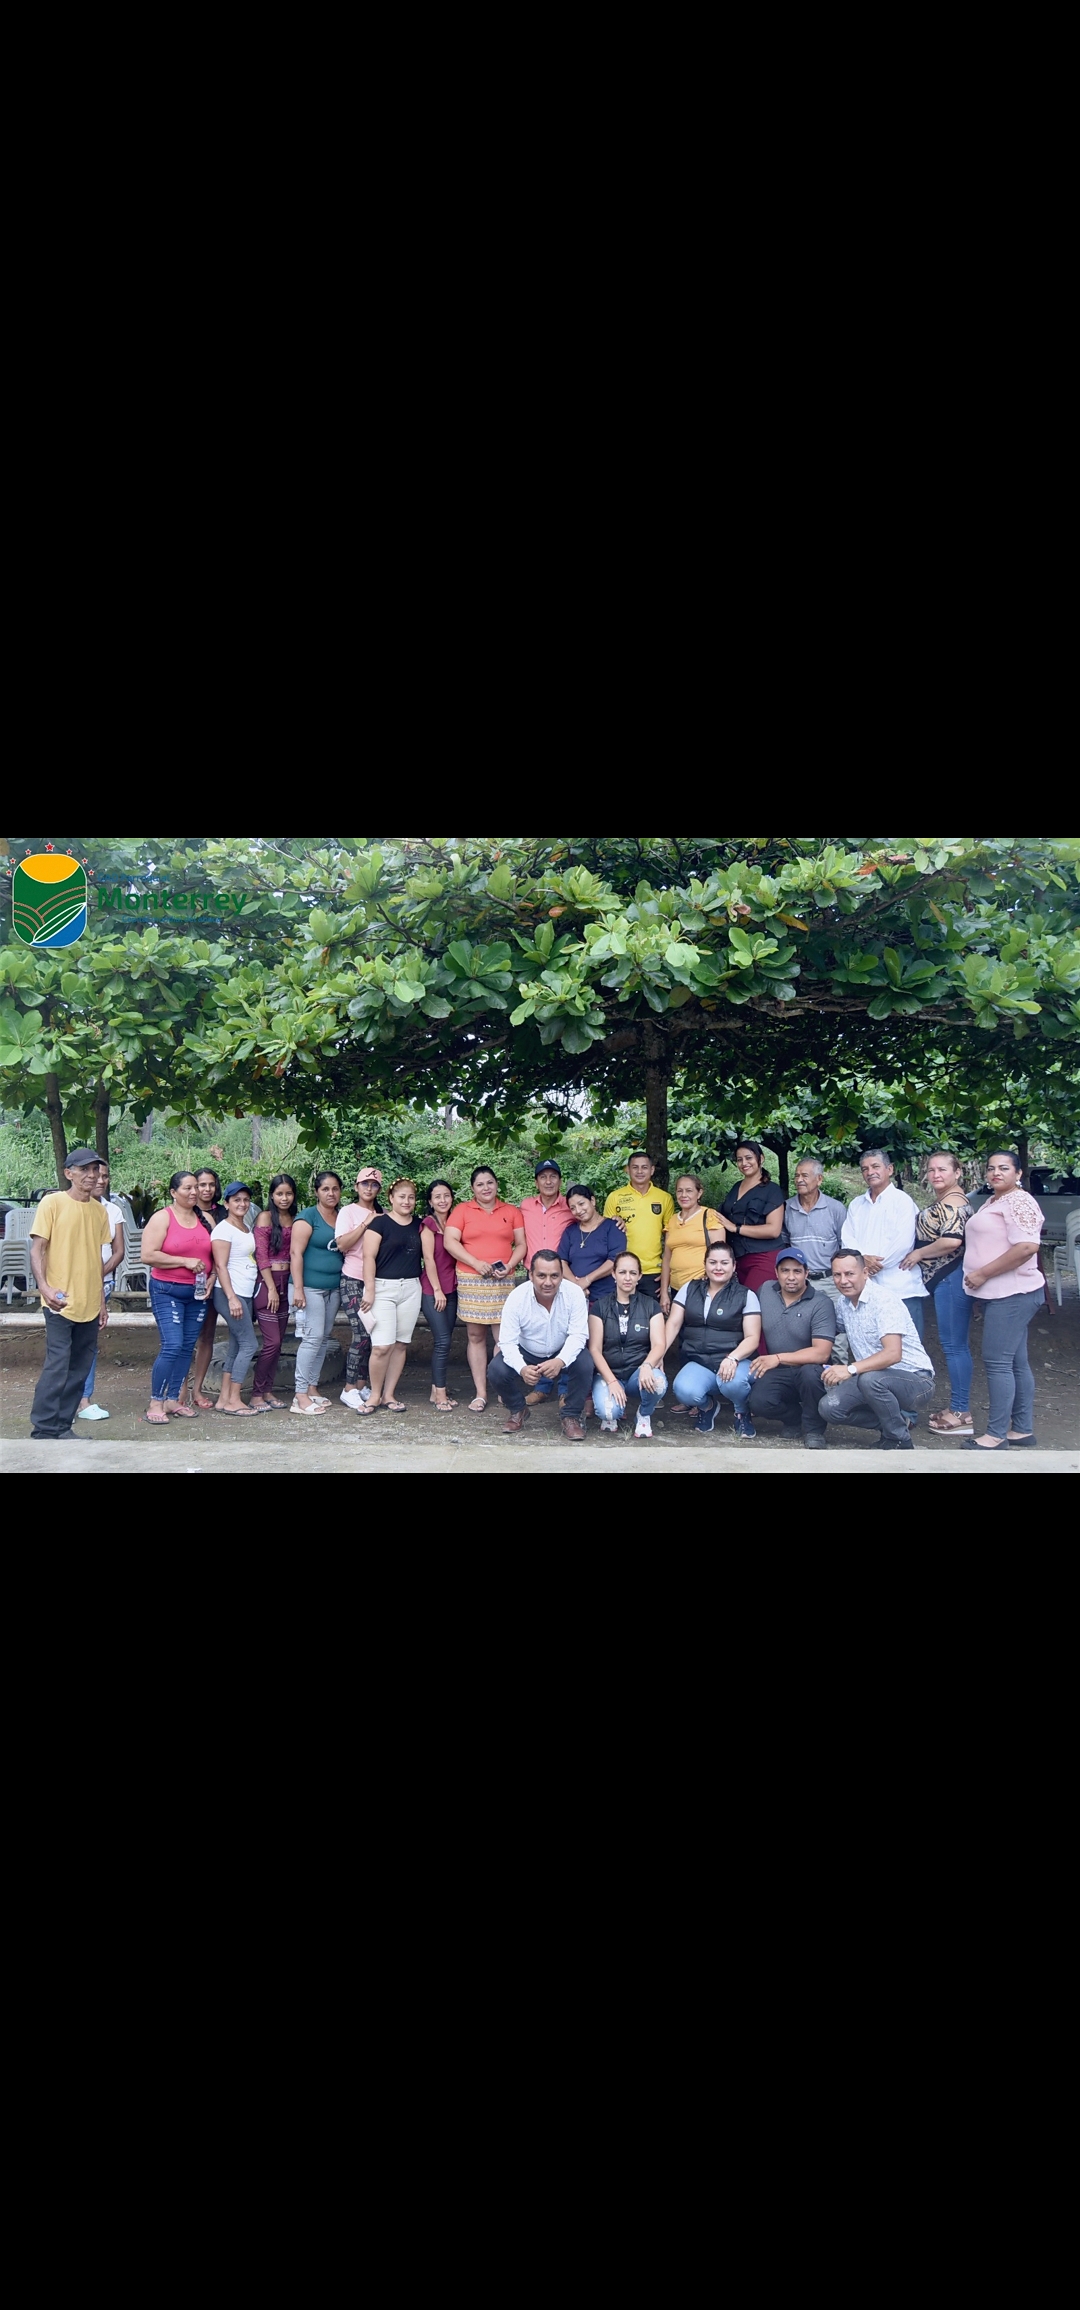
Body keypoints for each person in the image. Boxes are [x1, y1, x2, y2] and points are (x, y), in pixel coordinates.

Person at [959, 1150, 1045, 1453]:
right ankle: (1021, 1429)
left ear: (1018, 1173)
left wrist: (982, 1273)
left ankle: (996, 1435)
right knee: (1015, 1362)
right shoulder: (996, 1201)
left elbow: (1026, 1247)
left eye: (1004, 1168)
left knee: (997, 1362)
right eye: (991, 1168)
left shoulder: (1020, 1201)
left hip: (1013, 1293)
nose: (996, 1172)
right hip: (1000, 1293)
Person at [28, 1148, 111, 1439]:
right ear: (69, 1173)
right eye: (84, 1170)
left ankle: (63, 1426)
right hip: (59, 1302)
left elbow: (96, 1258)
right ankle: (44, 1427)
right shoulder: (52, 1203)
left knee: (79, 1368)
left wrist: (101, 1302)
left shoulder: (99, 1211)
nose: (91, 1176)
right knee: (58, 1364)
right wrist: (44, 1287)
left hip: (89, 1302)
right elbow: (37, 1249)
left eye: (95, 1170)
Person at [818, 1250, 935, 1448]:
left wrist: (849, 1369)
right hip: (871, 1378)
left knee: (870, 1380)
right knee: (829, 1408)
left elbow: (893, 1354)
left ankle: (899, 1440)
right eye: (837, 1275)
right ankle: (895, 1423)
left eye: (849, 1274)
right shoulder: (843, 1303)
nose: (843, 1281)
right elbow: (828, 1331)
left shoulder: (884, 1301)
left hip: (916, 1380)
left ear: (865, 1273)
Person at [898, 1151, 974, 1434]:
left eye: (942, 1169)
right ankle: (957, 1406)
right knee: (953, 1345)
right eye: (931, 1170)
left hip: (950, 1278)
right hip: (944, 1280)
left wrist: (918, 1254)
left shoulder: (954, 1203)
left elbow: (952, 1241)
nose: (935, 1175)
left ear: (957, 1172)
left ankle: (961, 1412)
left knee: (954, 1346)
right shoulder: (947, 1200)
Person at [443, 1169, 526, 1413]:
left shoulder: (511, 1211)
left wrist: (509, 1265)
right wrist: (476, 1263)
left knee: (503, 1337)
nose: (486, 1188)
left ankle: (502, 1388)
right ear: (472, 1188)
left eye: (490, 1182)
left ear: (497, 1184)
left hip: (502, 1279)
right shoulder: (462, 1211)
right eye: (480, 1184)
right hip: (472, 1278)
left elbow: (521, 1244)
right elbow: (450, 1241)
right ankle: (480, 1393)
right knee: (476, 1336)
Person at [487, 1251, 594, 1438]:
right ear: (531, 1275)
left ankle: (571, 1416)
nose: (548, 1282)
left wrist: (560, 1360)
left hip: (561, 1349)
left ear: (562, 1275)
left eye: (554, 1276)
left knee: (585, 1363)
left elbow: (578, 1335)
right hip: (527, 1350)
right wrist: (522, 1368)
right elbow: (507, 1342)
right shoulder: (517, 1297)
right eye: (541, 1276)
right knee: (496, 1369)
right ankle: (518, 1409)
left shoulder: (574, 1293)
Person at [664, 1241, 762, 1437]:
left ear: (734, 1266)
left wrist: (733, 1358)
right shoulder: (689, 1288)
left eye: (724, 1263)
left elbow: (753, 1338)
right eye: (713, 1262)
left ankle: (742, 1412)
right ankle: (707, 1407)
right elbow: (673, 1324)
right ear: (705, 1264)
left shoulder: (746, 1295)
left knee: (732, 1383)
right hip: (700, 1360)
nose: (718, 1268)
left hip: (736, 1361)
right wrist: (658, 1355)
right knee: (683, 1390)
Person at [140, 1172, 214, 1425]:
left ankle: (173, 1399)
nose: (194, 1192)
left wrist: (212, 1278)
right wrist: (184, 1261)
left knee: (186, 1346)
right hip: (167, 1289)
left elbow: (216, 1255)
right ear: (173, 1192)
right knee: (172, 1345)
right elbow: (148, 1255)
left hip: (198, 1293)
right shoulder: (162, 1218)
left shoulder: (206, 1219)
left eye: (196, 1188)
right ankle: (155, 1402)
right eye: (187, 1188)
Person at [747, 1248, 837, 1446]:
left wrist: (778, 1358)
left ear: (806, 1273)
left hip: (810, 1369)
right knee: (758, 1402)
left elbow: (821, 1353)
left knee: (810, 1375)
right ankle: (794, 1418)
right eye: (785, 1271)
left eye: (797, 1271)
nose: (791, 1277)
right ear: (776, 1272)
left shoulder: (821, 1303)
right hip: (779, 1371)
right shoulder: (765, 1291)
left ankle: (814, 1430)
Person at [355, 1179, 425, 1414]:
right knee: (382, 1346)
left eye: (411, 1197)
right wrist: (370, 1289)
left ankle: (389, 1394)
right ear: (391, 1198)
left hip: (411, 1288)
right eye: (402, 1197)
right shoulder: (380, 1223)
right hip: (382, 1288)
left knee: (400, 1344)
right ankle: (374, 1395)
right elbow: (368, 1257)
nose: (407, 1201)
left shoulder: (420, 1225)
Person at [840, 1151, 928, 1337]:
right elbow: (847, 1237)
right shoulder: (857, 1204)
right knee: (873, 1343)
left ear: (889, 1169)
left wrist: (869, 1266)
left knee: (908, 1344)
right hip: (867, 1289)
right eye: (865, 1169)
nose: (870, 1172)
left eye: (875, 1166)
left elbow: (902, 1243)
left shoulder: (902, 1201)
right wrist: (862, 1261)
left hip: (900, 1287)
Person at [589, 1250, 669, 1438]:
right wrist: (612, 1381)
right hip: (609, 1373)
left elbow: (659, 1344)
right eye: (622, 1272)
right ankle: (616, 1411)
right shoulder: (600, 1306)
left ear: (639, 1276)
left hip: (637, 1373)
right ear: (613, 1274)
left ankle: (644, 1414)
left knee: (658, 1382)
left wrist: (647, 1366)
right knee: (609, 1412)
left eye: (633, 1273)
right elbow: (595, 1349)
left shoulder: (651, 1305)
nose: (627, 1278)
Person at [289, 1172, 345, 1414]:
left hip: (334, 1287)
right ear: (316, 1192)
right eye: (325, 1189)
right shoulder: (308, 1217)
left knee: (324, 1337)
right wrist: (298, 1288)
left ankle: (312, 1388)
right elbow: (295, 1253)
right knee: (312, 1338)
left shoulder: (342, 1217)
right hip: (310, 1288)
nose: (331, 1193)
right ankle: (299, 1395)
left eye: (335, 1189)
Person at [75, 1159, 126, 1420]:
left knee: (88, 1343)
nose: (100, 1180)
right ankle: (63, 1399)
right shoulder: (66, 1205)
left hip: (100, 1285)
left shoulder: (112, 1210)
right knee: (65, 1343)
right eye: (96, 1174)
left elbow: (118, 1252)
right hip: (70, 1284)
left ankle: (84, 1400)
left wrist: (96, 1275)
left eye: (105, 1176)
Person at [210, 1185, 264, 1414]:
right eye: (236, 1200)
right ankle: (234, 1399)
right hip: (230, 1293)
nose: (242, 1204)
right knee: (250, 1344)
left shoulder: (244, 1227)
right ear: (226, 1204)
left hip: (245, 1292)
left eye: (246, 1200)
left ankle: (224, 1399)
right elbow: (220, 1266)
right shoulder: (223, 1230)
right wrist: (232, 1298)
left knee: (236, 1346)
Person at [335, 1166, 384, 1410]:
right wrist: (366, 1222)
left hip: (375, 1281)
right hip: (352, 1279)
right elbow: (342, 1244)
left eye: (374, 1184)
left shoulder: (384, 1214)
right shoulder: (348, 1211)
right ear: (356, 1186)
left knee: (373, 1335)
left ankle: (362, 1385)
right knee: (361, 1334)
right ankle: (349, 1389)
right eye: (365, 1183)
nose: (369, 1188)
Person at [250, 1173, 298, 1410]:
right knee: (272, 1342)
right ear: (272, 1195)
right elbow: (261, 1255)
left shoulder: (296, 1219)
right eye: (279, 1194)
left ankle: (267, 1391)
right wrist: (270, 1288)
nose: (284, 1198)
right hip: (267, 1282)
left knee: (278, 1345)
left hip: (287, 1282)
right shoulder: (265, 1217)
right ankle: (256, 1394)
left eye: (288, 1193)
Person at [715, 1140, 789, 1296]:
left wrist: (736, 1228)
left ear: (761, 1158)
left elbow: (773, 1230)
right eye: (739, 1159)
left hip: (763, 1257)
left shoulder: (772, 1190)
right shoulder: (736, 1187)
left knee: (749, 1301)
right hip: (738, 1258)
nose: (744, 1163)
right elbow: (720, 1216)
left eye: (749, 1158)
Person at [603, 1153, 675, 1300]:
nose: (640, 1171)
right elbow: (605, 1236)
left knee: (651, 1314)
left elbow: (671, 1238)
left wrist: (666, 1272)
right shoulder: (615, 1197)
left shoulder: (664, 1198)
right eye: (635, 1167)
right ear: (627, 1170)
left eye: (644, 1167)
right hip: (623, 1270)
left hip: (653, 1272)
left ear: (652, 1170)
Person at [186, 1170, 228, 1407]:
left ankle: (198, 1390)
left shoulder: (224, 1213)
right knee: (185, 1337)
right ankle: (179, 1389)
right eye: (202, 1185)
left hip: (216, 1281)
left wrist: (214, 1276)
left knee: (207, 1336)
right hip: (188, 1280)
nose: (206, 1189)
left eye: (211, 1185)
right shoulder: (185, 1212)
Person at [419, 1179, 459, 1411]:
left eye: (446, 1195)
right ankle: (441, 1394)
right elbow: (429, 1259)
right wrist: (437, 1290)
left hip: (452, 1287)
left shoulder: (454, 1222)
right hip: (432, 1289)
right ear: (430, 1201)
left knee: (446, 1340)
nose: (443, 1200)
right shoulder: (428, 1224)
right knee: (442, 1341)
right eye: (437, 1197)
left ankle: (436, 1392)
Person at [659, 1173, 724, 1313]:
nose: (684, 1195)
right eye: (680, 1191)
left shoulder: (709, 1216)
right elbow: (667, 1259)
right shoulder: (672, 1220)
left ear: (699, 1193)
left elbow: (720, 1254)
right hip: (676, 1289)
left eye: (689, 1191)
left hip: (702, 1287)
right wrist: (664, 1292)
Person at [783, 1158, 848, 1289]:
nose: (799, 1180)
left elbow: (845, 1245)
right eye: (796, 1176)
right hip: (799, 1281)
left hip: (830, 1281)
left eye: (804, 1176)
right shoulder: (786, 1208)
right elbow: (784, 1244)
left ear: (819, 1179)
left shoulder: (835, 1208)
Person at [519, 1161, 572, 1266]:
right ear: (536, 1183)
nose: (548, 1182)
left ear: (560, 1182)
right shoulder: (526, 1206)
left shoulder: (570, 1206)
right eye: (543, 1177)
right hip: (533, 1271)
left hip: (561, 1270)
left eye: (553, 1176)